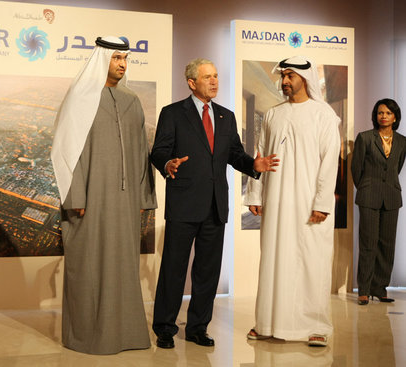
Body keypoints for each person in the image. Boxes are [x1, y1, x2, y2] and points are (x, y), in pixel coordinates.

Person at [151, 58, 279, 349]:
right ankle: (165, 328)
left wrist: (254, 165)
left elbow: (235, 155)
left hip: (215, 206)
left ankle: (198, 327)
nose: (214, 81)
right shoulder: (172, 113)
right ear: (191, 82)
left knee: (207, 272)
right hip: (183, 204)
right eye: (207, 77)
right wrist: (167, 163)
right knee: (174, 268)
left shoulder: (226, 116)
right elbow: (159, 151)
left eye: (216, 76)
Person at [51, 36, 157, 355]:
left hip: (124, 204)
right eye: (116, 58)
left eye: (126, 58)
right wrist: (76, 197)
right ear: (102, 59)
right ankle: (87, 335)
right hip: (90, 200)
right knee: (89, 265)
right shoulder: (80, 97)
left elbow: (141, 152)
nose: (123, 64)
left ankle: (126, 334)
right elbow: (67, 151)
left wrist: (142, 198)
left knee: (123, 266)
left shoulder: (131, 101)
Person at [244, 56, 341, 347]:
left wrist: (323, 202)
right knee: (276, 258)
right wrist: (255, 193)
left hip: (309, 202)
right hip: (276, 200)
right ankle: (269, 322)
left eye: (290, 76)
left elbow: (329, 163)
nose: (284, 81)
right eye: (283, 76)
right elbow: (261, 156)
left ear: (305, 78)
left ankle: (316, 325)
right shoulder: (273, 114)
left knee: (312, 260)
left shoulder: (323, 115)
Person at [351, 98, 405, 305]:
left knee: (387, 245)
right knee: (368, 244)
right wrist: (365, 187)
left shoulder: (402, 141)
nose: (383, 116)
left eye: (388, 113)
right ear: (375, 116)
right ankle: (364, 289)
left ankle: (380, 288)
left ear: (395, 117)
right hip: (368, 196)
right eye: (380, 113)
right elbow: (356, 169)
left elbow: (396, 168)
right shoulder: (365, 138)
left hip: (391, 197)